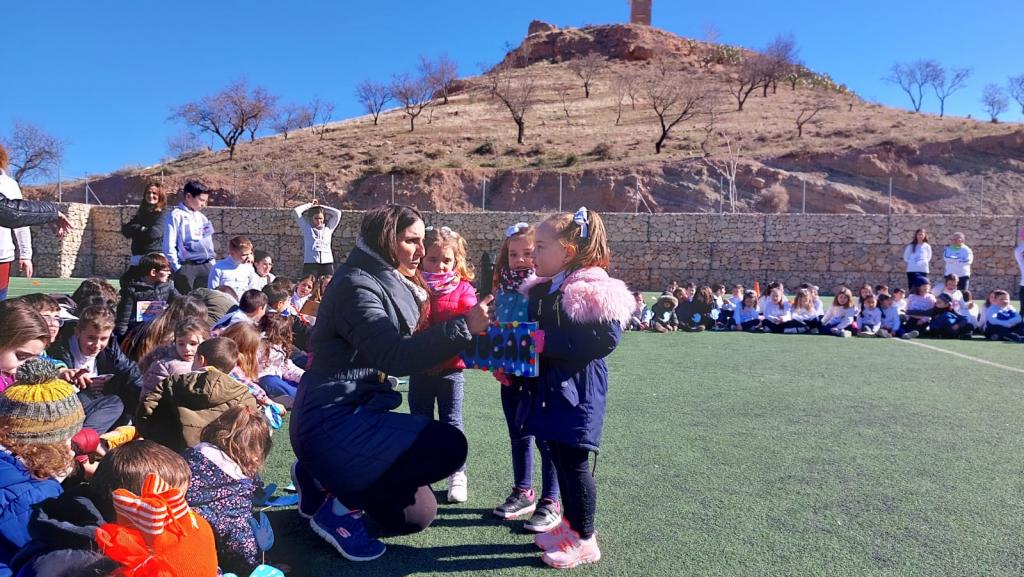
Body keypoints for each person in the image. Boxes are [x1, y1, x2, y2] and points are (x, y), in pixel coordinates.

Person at [290, 204, 491, 562]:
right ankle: (338, 504)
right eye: (410, 241)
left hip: (351, 416)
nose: (420, 250)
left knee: (415, 515)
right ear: (385, 239)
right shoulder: (356, 284)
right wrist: (464, 327)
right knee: (447, 446)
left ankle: (317, 477)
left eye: (421, 241)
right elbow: (393, 355)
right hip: (332, 419)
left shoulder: (383, 276)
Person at [513, 207, 634, 569]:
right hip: (552, 388)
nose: (534, 254)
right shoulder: (550, 287)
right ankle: (568, 525)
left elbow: (604, 339)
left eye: (542, 246)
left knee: (575, 463)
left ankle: (585, 539)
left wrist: (543, 342)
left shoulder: (589, 288)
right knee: (561, 458)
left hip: (578, 392)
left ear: (567, 251)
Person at [489, 221, 561, 532]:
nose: (520, 259)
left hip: (540, 375)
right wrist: (495, 357)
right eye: (513, 254)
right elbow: (496, 327)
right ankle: (523, 491)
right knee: (518, 434)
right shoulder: (500, 288)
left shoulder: (547, 287)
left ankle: (551, 499)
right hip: (512, 374)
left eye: (528, 253)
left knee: (547, 438)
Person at [409, 226, 477, 504]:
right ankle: (421, 472)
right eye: (433, 260)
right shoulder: (412, 286)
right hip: (420, 369)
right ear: (422, 258)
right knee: (419, 421)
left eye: (446, 260)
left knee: (451, 422)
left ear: (456, 261)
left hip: (451, 369)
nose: (439, 266)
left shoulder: (463, 289)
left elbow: (471, 324)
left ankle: (456, 472)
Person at [0, 358, 86, 576]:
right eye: (68, 436)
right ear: (51, 442)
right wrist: (50, 481)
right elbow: (39, 556)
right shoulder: (36, 492)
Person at [185, 406, 271, 575]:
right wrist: (256, 565)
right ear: (254, 452)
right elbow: (239, 540)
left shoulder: (190, 457)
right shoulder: (234, 491)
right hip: (197, 557)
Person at [137, 336, 258, 452]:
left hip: (167, 455)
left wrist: (151, 437)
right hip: (213, 464)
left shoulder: (173, 382)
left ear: (201, 360)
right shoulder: (244, 397)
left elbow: (146, 411)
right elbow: (249, 435)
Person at [47, 305, 139, 433]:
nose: (97, 345)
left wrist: (146, 396)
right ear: (78, 332)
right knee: (115, 402)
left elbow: (131, 372)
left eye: (103, 339)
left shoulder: (110, 348)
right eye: (91, 338)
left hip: (91, 405)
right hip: (62, 406)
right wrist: (83, 387)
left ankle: (85, 438)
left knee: (123, 406)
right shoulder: (60, 349)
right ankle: (80, 441)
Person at [114, 252, 180, 341]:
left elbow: (180, 301)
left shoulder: (167, 286)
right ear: (153, 272)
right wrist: (121, 337)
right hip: (136, 332)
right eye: (166, 270)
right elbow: (124, 317)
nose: (169, 273)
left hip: (159, 329)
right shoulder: (131, 290)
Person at [164, 180, 216, 294]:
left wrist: (212, 263)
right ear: (188, 196)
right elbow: (169, 245)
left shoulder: (202, 217)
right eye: (201, 200)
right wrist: (178, 268)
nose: (204, 204)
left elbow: (208, 242)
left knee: (205, 303)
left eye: (205, 201)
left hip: (206, 265)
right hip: (187, 267)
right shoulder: (175, 215)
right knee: (186, 303)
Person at [141, 317, 210, 396]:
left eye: (193, 343)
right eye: (181, 344)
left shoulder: (215, 361)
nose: (186, 348)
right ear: (175, 342)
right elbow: (149, 398)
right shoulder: (164, 367)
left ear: (206, 342)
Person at [120, 182, 167, 282]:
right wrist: (141, 228)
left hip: (153, 258)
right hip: (138, 257)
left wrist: (137, 229)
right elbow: (125, 231)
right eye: (148, 193)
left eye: (154, 193)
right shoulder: (142, 213)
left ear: (160, 196)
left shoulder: (163, 214)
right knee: (126, 282)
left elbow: (154, 234)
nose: (151, 196)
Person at [256, 313, 305, 401]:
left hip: (278, 377)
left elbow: (286, 367)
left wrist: (304, 377)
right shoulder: (257, 345)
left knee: (302, 385)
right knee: (274, 383)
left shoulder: (279, 346)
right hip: (263, 380)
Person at [294, 199, 342, 278]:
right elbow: (296, 211)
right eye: (316, 218)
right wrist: (310, 205)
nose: (319, 221)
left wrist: (321, 207)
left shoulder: (329, 228)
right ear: (311, 218)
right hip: (310, 263)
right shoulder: (307, 228)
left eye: (321, 218)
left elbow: (337, 213)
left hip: (327, 263)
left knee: (328, 286)